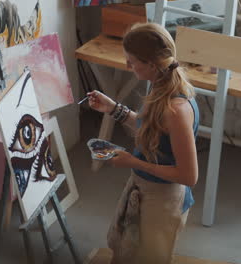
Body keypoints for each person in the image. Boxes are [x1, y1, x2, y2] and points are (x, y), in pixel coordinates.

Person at [87, 23, 199, 264]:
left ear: (152, 64)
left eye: (132, 61)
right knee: (126, 251)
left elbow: (189, 175)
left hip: (164, 198)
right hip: (145, 187)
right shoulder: (161, 86)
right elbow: (149, 127)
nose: (127, 66)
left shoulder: (176, 110)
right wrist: (113, 109)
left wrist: (134, 161)